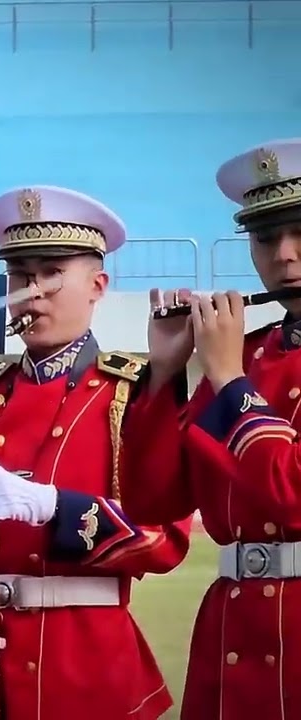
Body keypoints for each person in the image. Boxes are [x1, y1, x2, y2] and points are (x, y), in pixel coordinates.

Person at [0, 186, 193, 720]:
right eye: (20, 275)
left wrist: (54, 508)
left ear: (98, 286)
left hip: (89, 668)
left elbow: (165, 541)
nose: (32, 292)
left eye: (51, 273)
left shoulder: (135, 391)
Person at [123, 138, 301, 720]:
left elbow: (289, 497)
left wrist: (228, 380)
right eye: (266, 237)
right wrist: (164, 376)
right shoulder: (248, 355)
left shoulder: (234, 367)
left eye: (300, 232)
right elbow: (154, 502)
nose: (285, 256)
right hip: (234, 632)